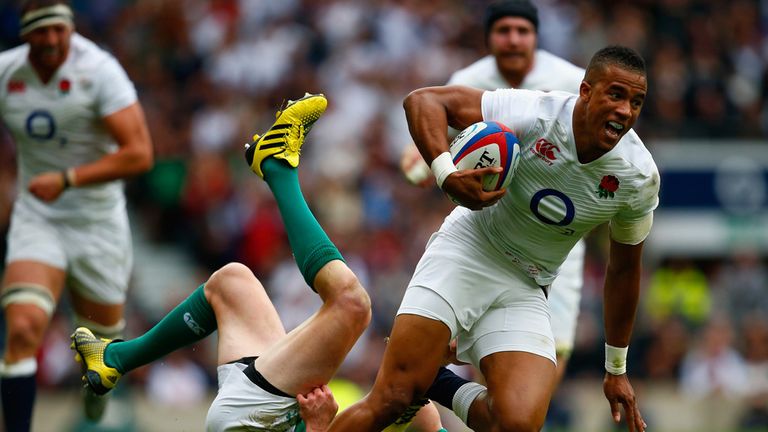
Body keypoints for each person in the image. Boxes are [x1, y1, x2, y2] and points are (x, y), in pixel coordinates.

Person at [329, 45, 658, 432]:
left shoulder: (639, 177)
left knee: (516, 425)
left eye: (636, 102)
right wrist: (445, 173)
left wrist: (616, 369)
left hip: (527, 284)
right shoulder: (537, 113)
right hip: (468, 251)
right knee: (393, 397)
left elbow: (623, 271)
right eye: (615, 95)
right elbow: (424, 101)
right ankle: (420, 379)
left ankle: (435, 380)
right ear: (585, 92)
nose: (625, 111)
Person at [71, 93, 446, 432]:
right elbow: (409, 403)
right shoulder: (416, 407)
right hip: (264, 405)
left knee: (351, 304)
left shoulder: (404, 401)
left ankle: (278, 167)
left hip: (262, 423)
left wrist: (317, 429)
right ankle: (114, 358)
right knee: (232, 283)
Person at [400, 0, 588, 388]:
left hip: (556, 239)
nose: (513, 40)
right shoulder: (470, 78)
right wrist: (423, 163)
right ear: (489, 38)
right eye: (504, 31)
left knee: (554, 353)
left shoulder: (572, 82)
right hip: (489, 230)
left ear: (536, 37)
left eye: (523, 31)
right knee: (482, 349)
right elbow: (433, 128)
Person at [0, 0, 153, 430]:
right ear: (24, 33)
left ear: (70, 28)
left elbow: (140, 153)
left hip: (97, 224)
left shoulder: (99, 70)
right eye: (41, 31)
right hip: (39, 218)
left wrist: (67, 178)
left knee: (99, 356)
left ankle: (95, 406)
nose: (51, 40)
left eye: (59, 30)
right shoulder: (7, 72)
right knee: (23, 329)